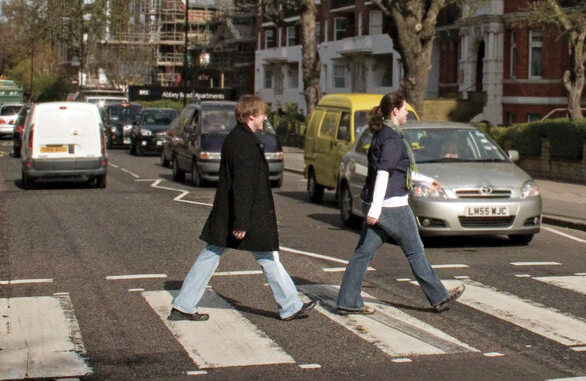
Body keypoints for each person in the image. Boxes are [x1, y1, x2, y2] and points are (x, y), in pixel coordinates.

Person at [172, 94, 315, 322]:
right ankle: (290, 306)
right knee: (258, 256)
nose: (265, 118)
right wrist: (241, 223)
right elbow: (243, 185)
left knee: (234, 255)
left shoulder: (240, 138)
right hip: (243, 214)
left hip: (239, 212)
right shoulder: (243, 143)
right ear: (251, 117)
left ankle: (184, 305)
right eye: (262, 114)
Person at [335, 90, 465, 315]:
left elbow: (397, 170)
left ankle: (347, 301)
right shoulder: (392, 138)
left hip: (380, 204)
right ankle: (439, 297)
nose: (407, 112)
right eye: (405, 108)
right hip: (392, 206)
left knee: (363, 253)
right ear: (395, 111)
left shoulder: (382, 133)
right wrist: (376, 209)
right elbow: (384, 173)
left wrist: (427, 181)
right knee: (415, 251)